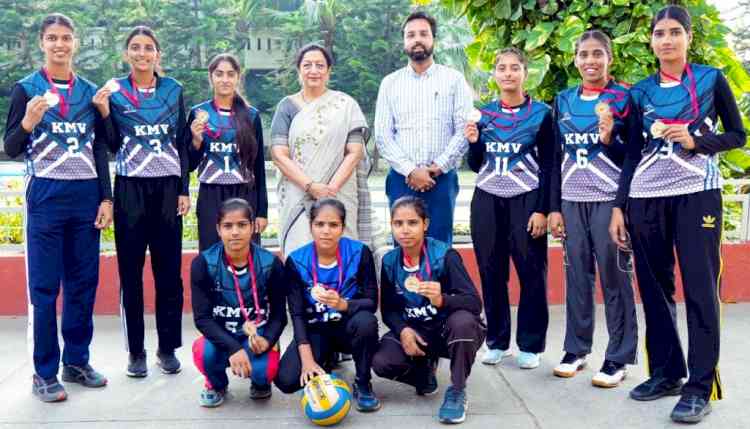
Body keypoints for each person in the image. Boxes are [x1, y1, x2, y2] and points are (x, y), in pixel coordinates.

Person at [609, 5, 746, 423]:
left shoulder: (710, 79)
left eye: (674, 32)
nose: (666, 40)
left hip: (697, 196)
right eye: (659, 34)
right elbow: (631, 152)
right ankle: (667, 373)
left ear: (688, 38)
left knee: (701, 291)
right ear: (651, 41)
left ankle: (701, 387)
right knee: (654, 289)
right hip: (645, 197)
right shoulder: (641, 92)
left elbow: (738, 135)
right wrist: (619, 205)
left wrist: (696, 141)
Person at [2, 13, 112, 402]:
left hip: (85, 198)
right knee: (45, 289)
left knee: (83, 285)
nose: (60, 44)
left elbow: (101, 147)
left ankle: (77, 361)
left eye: (66, 37)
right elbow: (10, 147)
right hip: (45, 198)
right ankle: (44, 372)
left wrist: (106, 197)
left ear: (75, 43)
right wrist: (29, 122)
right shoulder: (26, 89)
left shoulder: (89, 91)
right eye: (52, 38)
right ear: (42, 44)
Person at [93, 26, 190, 378]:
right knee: (130, 275)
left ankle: (167, 349)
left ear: (157, 55)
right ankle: (135, 352)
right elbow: (111, 144)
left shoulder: (173, 89)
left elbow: (180, 141)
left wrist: (184, 189)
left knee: (169, 275)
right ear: (126, 54)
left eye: (148, 48)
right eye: (135, 47)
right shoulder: (114, 91)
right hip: (130, 189)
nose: (142, 53)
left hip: (166, 190)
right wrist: (104, 112)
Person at [547, 31, 638, 387]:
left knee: (614, 277)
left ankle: (618, 356)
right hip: (572, 202)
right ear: (575, 58)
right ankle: (576, 349)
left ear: (609, 59)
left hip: (608, 201)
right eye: (584, 54)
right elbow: (555, 158)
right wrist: (554, 207)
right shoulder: (564, 100)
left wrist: (609, 136)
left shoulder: (623, 97)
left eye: (598, 54)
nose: (590, 61)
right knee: (576, 278)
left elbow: (632, 154)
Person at [464, 48, 553, 370]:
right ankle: (497, 341)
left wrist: (543, 209)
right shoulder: (483, 116)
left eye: (515, 68)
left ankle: (530, 344)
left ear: (525, 73)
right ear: (494, 74)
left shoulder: (542, 113)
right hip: (487, 199)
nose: (508, 74)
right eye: (502, 68)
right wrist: (474, 142)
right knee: (490, 271)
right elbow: (475, 165)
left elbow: (550, 166)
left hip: (526, 199)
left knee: (531, 272)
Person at [372, 196, 485, 424]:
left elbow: (474, 303)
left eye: (412, 223)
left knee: (463, 322)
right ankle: (423, 373)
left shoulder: (445, 256)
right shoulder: (389, 261)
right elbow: (389, 311)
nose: (405, 230)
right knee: (381, 362)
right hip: (417, 332)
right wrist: (403, 330)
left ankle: (457, 390)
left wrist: (441, 299)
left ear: (425, 224)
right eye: (398, 223)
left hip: (448, 331)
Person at [374, 11, 473, 246]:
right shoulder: (390, 83)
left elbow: (464, 131)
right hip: (401, 179)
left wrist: (436, 168)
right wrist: (411, 170)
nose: (417, 39)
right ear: (404, 42)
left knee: (440, 246)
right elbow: (383, 136)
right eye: (411, 35)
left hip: (442, 180)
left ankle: (439, 285)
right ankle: (405, 285)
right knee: (404, 244)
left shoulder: (454, 80)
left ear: (433, 40)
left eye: (423, 34)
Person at [274, 198, 381, 413]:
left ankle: (362, 382)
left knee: (366, 322)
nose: (326, 231)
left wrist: (343, 304)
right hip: (316, 331)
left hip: (349, 327)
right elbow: (296, 314)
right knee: (286, 381)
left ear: (342, 227)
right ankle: (325, 356)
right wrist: (306, 359)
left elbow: (371, 302)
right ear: (311, 226)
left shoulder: (360, 252)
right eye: (320, 224)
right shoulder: (297, 260)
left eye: (333, 225)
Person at [270, 43, 372, 257]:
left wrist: (330, 190)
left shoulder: (345, 105)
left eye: (320, 65)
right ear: (299, 70)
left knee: (342, 255)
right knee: (300, 256)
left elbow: (355, 152)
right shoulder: (286, 106)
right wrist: (310, 186)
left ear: (328, 71)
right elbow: (279, 155)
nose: (313, 70)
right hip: (299, 195)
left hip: (340, 192)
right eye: (307, 65)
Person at [190, 198, 286, 407]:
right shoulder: (203, 263)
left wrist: (268, 339)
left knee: (264, 373)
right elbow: (202, 319)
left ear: (252, 227)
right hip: (221, 335)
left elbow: (279, 316)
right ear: (218, 229)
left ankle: (260, 382)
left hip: (255, 336)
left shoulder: (271, 264)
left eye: (242, 225)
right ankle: (216, 384)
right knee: (202, 352)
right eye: (228, 226)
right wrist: (233, 347)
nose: (235, 232)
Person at [187, 53, 268, 251]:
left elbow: (258, 167)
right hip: (211, 193)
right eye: (219, 74)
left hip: (244, 192)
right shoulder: (198, 113)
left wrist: (262, 211)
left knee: (246, 255)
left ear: (237, 78)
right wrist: (196, 141)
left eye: (230, 74)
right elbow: (188, 164)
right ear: (211, 77)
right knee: (211, 253)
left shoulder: (251, 115)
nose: (225, 79)